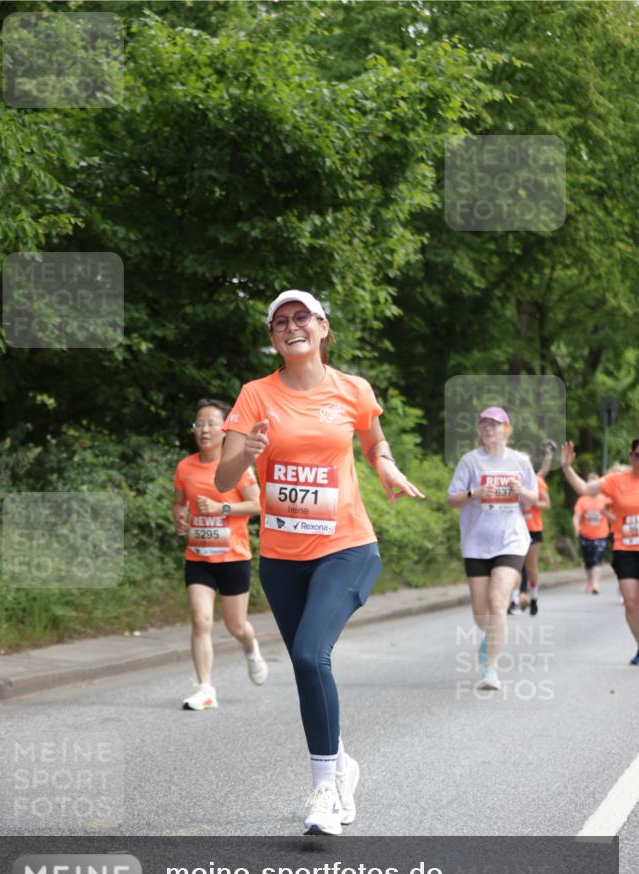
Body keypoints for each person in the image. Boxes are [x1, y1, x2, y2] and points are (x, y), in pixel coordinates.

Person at [215, 290, 424, 835]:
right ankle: (341, 764)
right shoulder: (255, 396)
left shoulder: (352, 389)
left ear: (323, 327)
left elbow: (376, 443)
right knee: (310, 670)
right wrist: (246, 455)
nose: (291, 327)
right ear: (272, 338)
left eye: (301, 317)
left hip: (348, 547)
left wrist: (387, 468)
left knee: (310, 656)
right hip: (282, 559)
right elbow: (221, 478)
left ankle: (323, 791)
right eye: (280, 322)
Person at [172, 399, 268, 711]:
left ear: (225, 431)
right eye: (199, 424)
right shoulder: (185, 467)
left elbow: (258, 506)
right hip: (198, 557)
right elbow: (178, 502)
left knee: (235, 626)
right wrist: (179, 517)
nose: (204, 429)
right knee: (201, 621)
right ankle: (206, 689)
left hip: (234, 557)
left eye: (212, 423)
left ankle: (251, 649)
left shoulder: (237, 466)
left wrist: (221, 508)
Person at [447, 407, 538, 691]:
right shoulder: (470, 462)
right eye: (484, 425)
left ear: (506, 430)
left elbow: (532, 499)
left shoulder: (520, 461)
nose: (489, 429)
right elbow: (452, 499)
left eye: (495, 425)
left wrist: (519, 490)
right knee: (480, 612)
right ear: (479, 431)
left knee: (498, 601)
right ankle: (492, 638)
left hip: (511, 540)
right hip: (476, 542)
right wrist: (475, 493)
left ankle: (491, 669)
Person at [561, 439, 639, 665]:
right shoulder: (616, 481)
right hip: (625, 549)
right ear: (631, 456)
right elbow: (585, 489)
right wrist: (566, 467)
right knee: (631, 601)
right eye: (637, 455)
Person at [509, 442, 555, 614]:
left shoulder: (537, 482)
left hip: (533, 528)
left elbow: (547, 505)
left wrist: (531, 502)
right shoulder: (509, 480)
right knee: (514, 564)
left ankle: (534, 596)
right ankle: (513, 600)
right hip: (514, 528)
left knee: (530, 565)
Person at [572, 473, 613, 594]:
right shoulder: (582, 500)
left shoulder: (605, 499)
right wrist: (576, 528)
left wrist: (606, 512)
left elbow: (613, 515)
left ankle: (595, 583)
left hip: (601, 534)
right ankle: (590, 580)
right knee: (588, 560)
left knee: (597, 558)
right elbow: (576, 517)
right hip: (585, 534)